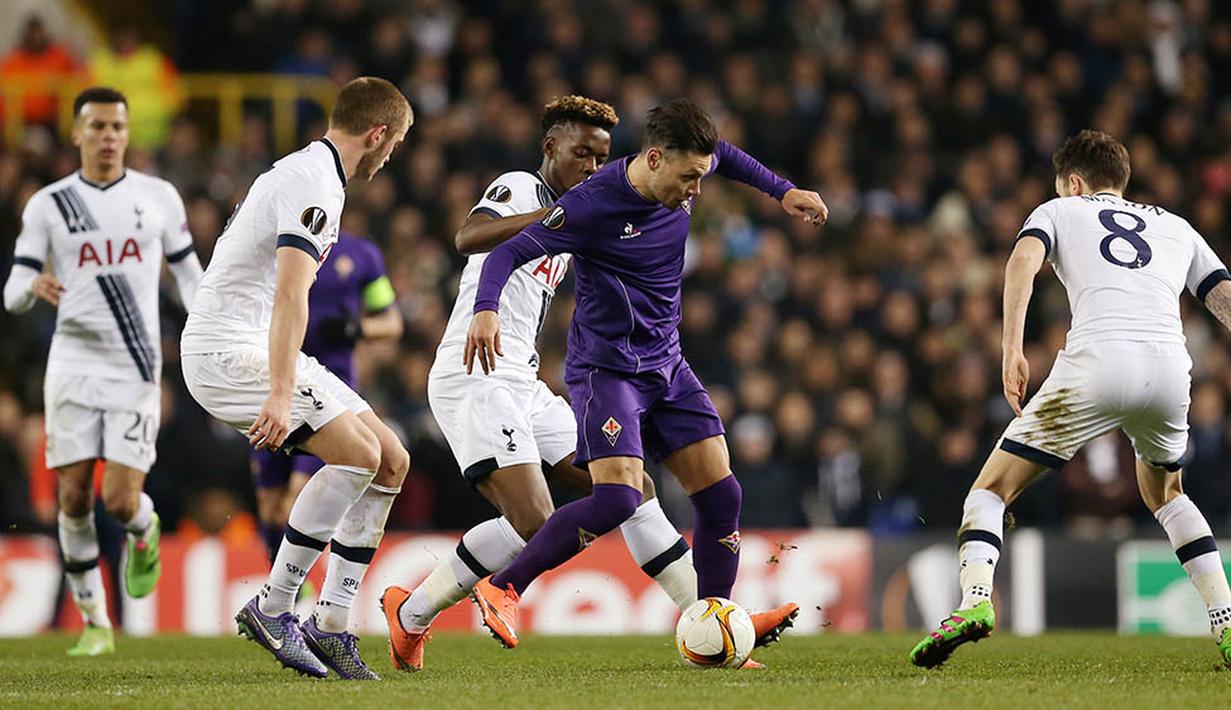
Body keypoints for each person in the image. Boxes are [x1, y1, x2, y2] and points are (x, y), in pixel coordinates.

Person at [383, 96, 797, 672]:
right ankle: (422, 611)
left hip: (525, 379)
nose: (591, 167)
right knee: (533, 519)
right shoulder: (525, 189)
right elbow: (471, 237)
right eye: (581, 154)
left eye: (600, 157)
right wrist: (560, 222)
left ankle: (715, 620)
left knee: (635, 492)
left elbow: (720, 154)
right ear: (550, 146)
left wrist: (783, 190)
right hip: (475, 372)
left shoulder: (608, 198)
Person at [909, 130, 1231, 669]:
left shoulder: (1059, 210)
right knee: (1169, 495)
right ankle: (1226, 620)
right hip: (1169, 369)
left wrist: (1012, 348)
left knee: (990, 490)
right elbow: (1222, 296)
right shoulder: (1177, 226)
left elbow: (1021, 262)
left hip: (1095, 363)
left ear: (1074, 182)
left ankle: (975, 602)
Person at [180, 77, 412, 680]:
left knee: (391, 460)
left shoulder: (314, 173)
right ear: (377, 134)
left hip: (255, 344)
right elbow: (290, 292)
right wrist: (281, 393)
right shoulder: (314, 183)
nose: (393, 157)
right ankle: (274, 606)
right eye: (395, 144)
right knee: (359, 456)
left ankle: (330, 625)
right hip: (226, 352)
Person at [3, 87, 202, 656]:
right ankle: (95, 623)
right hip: (71, 364)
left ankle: (144, 528)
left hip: (135, 365)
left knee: (118, 499)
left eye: (117, 126)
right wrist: (33, 285)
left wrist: (209, 328)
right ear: (77, 133)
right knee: (71, 497)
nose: (109, 136)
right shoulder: (49, 204)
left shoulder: (158, 197)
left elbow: (191, 275)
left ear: (127, 132)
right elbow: (13, 287)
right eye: (97, 126)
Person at [251, 231, 402, 571]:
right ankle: (288, 587)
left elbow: (391, 321)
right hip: (275, 383)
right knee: (270, 507)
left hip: (330, 391)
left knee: (297, 497)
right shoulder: (275, 246)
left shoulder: (362, 254)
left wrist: (356, 329)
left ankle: (288, 591)